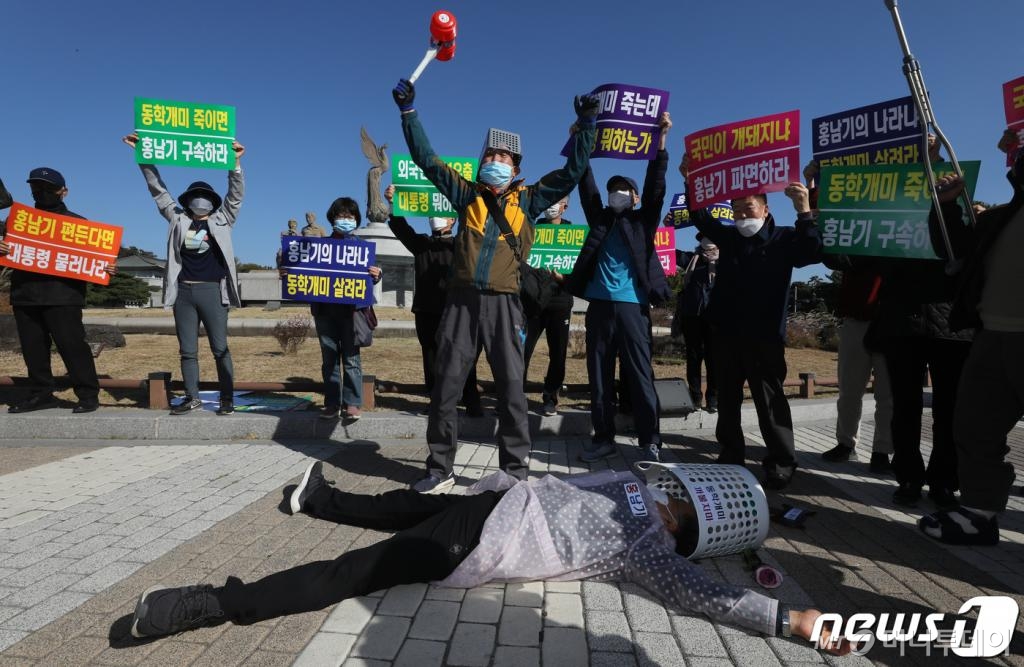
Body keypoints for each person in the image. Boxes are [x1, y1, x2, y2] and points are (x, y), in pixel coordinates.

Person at [127, 459, 851, 657]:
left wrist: (788, 618)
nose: (669, 506)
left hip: (478, 540)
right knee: (412, 504)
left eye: (681, 514)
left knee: (356, 569)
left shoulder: (649, 547)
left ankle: (212, 603)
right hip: (491, 501)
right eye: (676, 496)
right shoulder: (633, 475)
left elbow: (702, 595)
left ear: (686, 528)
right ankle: (318, 500)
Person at [391, 78, 599, 493]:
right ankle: (439, 468)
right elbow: (427, 159)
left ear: (517, 169)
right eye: (491, 154)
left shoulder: (531, 199)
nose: (497, 160)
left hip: (506, 305)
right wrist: (408, 113)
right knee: (446, 387)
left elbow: (574, 171)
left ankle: (514, 473)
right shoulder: (465, 194)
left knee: (511, 389)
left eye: (505, 156)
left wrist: (586, 124)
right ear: (481, 161)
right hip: (460, 304)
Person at [684, 155, 822, 490]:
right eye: (738, 211)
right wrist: (690, 179)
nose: (744, 216)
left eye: (750, 209)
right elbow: (700, 214)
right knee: (728, 400)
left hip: (764, 337)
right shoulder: (729, 238)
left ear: (766, 209)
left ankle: (782, 461)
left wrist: (804, 210)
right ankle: (730, 454)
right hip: (726, 333)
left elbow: (815, 251)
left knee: (770, 401)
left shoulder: (785, 239)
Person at [918, 140, 1024, 545]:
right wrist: (944, 205)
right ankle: (979, 512)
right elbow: (954, 247)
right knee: (975, 427)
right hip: (992, 336)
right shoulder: (999, 218)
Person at [566, 112, 673, 463]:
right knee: (598, 378)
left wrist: (660, 142)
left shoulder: (643, 222)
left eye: (624, 190)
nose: (617, 194)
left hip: (632, 307)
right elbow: (586, 184)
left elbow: (656, 185)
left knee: (641, 376)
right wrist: (581, 141)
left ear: (635, 198)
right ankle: (604, 439)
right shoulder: (600, 219)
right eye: (614, 190)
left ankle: (650, 441)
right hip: (598, 306)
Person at [123, 133, 245, 416]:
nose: (199, 200)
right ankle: (192, 397)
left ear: (213, 202)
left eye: (204, 197)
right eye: (195, 197)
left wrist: (235, 164)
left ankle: (227, 398)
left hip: (213, 291)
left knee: (220, 348)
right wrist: (144, 156)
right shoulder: (178, 219)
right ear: (188, 200)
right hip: (184, 293)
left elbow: (236, 195)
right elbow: (158, 190)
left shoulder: (223, 219)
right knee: (187, 350)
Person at [0, 168, 113, 414]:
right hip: (25, 294)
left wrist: (106, 267)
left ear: (64, 191)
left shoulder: (79, 224)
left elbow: (93, 261)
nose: (41, 193)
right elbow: (8, 250)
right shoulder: (17, 221)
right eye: (36, 188)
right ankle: (40, 394)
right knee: (33, 350)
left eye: (48, 188)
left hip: (63, 297)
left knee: (72, 346)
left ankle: (87, 394)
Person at [806, 161, 893, 473]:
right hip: (855, 319)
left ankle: (883, 450)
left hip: (890, 322)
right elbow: (827, 243)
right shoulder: (852, 231)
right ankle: (846, 443)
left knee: (888, 395)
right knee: (849, 390)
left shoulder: (899, 236)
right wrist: (813, 183)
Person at [382, 185, 481, 416]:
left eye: (442, 214)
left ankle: (471, 400)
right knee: (431, 356)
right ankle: (437, 399)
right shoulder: (422, 244)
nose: (435, 218)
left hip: (457, 310)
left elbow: (476, 229)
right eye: (431, 214)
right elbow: (400, 227)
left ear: (453, 220)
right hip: (426, 310)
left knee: (464, 355)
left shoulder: (462, 244)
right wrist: (394, 204)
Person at [303, 197, 382, 423]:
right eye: (341, 216)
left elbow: (371, 275)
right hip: (325, 311)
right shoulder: (318, 247)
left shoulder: (362, 248)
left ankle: (352, 403)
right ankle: (331, 403)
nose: (345, 220)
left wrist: (378, 275)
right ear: (332, 218)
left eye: (350, 216)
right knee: (329, 360)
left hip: (352, 313)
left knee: (351, 359)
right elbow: (304, 272)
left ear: (356, 220)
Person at [523, 196, 575, 416]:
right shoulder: (532, 229)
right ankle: (512, 395)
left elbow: (579, 271)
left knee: (558, 353)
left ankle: (551, 396)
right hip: (531, 303)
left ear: (565, 206)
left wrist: (563, 278)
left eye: (558, 200)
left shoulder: (574, 235)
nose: (551, 204)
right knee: (521, 350)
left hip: (560, 303)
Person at [672, 230, 719, 413]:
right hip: (692, 316)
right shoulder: (692, 259)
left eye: (710, 238)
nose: (707, 241)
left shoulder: (727, 261)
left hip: (715, 318)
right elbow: (670, 251)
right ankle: (695, 397)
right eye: (703, 238)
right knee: (693, 358)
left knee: (713, 358)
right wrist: (665, 229)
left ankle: (713, 398)